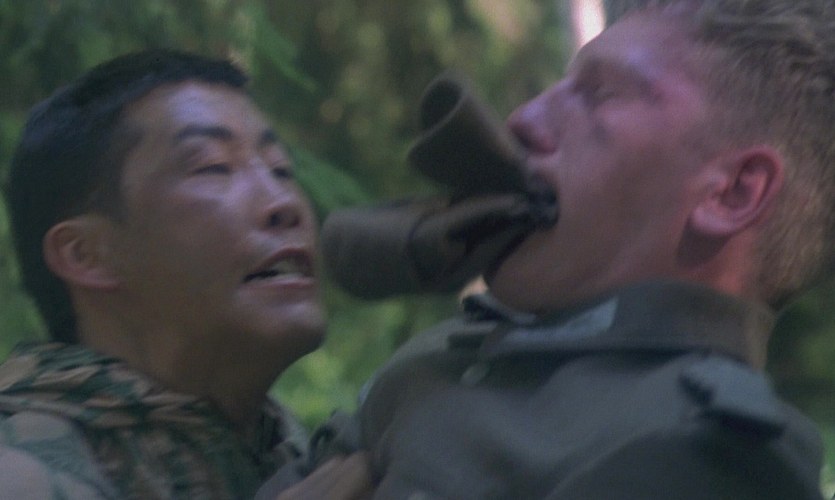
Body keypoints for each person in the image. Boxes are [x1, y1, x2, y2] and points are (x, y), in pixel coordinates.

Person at [295, 0, 835, 498]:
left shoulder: (710, 453)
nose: (521, 119)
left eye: (600, 93)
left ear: (733, 193)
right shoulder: (464, 348)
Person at [0, 49, 370, 499]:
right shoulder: (20, 472)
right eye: (213, 167)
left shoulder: (296, 455)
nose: (284, 202)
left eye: (281, 169)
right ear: (85, 254)